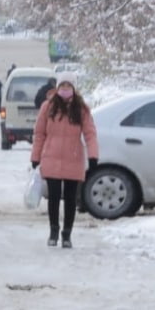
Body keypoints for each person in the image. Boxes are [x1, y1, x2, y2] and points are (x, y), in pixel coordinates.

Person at [30, 79, 99, 249]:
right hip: (51, 156)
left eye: (68, 86)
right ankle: (53, 230)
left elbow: (90, 134)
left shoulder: (81, 109)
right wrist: (35, 156)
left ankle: (67, 234)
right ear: (57, 88)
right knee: (53, 197)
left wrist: (93, 156)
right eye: (62, 86)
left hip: (73, 157)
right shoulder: (48, 106)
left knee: (70, 199)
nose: (65, 89)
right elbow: (39, 133)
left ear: (74, 88)